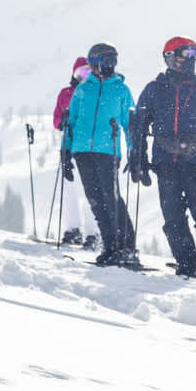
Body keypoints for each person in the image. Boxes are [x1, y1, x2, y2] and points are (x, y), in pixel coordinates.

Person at [127, 36, 196, 279]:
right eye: (186, 53)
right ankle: (186, 264)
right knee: (173, 217)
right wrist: (138, 158)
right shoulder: (154, 89)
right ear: (170, 57)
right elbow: (139, 124)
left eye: (194, 53)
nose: (191, 59)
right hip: (166, 163)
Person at [61, 42, 143, 269]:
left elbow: (130, 124)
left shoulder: (121, 90)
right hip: (82, 151)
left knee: (111, 198)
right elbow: (71, 122)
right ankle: (110, 247)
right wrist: (65, 152)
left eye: (113, 61)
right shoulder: (82, 90)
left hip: (108, 151)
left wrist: (135, 152)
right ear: (94, 63)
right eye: (106, 60)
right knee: (95, 200)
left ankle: (126, 248)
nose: (111, 65)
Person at [51, 57, 93, 247]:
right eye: (81, 72)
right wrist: (63, 122)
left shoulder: (93, 92)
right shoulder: (66, 93)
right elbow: (56, 118)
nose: (85, 76)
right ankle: (72, 229)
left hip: (88, 147)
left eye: (89, 72)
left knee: (90, 190)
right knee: (69, 190)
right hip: (69, 146)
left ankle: (93, 232)